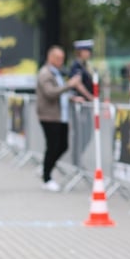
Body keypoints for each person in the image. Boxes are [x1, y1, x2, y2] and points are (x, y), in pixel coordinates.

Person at [36, 45, 85, 192]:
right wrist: (70, 85)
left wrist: (71, 98)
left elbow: (59, 93)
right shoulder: (45, 73)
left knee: (63, 145)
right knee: (52, 146)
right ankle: (46, 177)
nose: (61, 61)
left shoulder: (57, 73)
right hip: (49, 116)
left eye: (63, 58)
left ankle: (46, 166)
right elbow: (50, 93)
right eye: (58, 58)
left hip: (61, 116)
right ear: (50, 57)